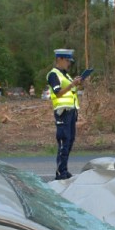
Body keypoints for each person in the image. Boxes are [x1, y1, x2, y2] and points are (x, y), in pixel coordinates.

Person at [47, 49, 83, 180]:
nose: (69, 63)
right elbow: (58, 92)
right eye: (67, 61)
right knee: (63, 141)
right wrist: (72, 84)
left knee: (69, 140)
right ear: (60, 59)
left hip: (71, 111)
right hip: (62, 112)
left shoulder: (66, 75)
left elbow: (71, 91)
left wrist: (77, 84)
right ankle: (60, 172)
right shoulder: (53, 74)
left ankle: (64, 169)